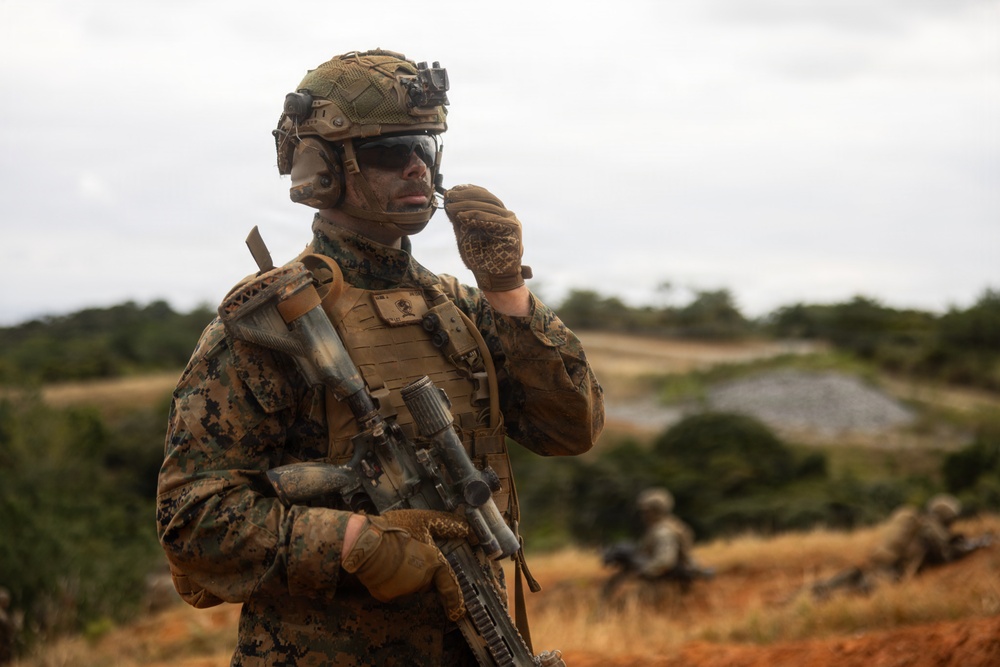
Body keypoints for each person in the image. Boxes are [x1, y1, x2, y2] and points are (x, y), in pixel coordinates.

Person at [155, 49, 604, 666]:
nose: (417, 169)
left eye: (425, 148)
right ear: (323, 168)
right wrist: (352, 542)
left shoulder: (462, 308)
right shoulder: (270, 324)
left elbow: (570, 429)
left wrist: (507, 292)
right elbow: (193, 521)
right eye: (391, 153)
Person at [812, 494, 990, 599]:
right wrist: (975, 545)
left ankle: (812, 592)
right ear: (948, 517)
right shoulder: (933, 527)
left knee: (852, 577)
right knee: (861, 591)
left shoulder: (920, 521)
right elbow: (945, 555)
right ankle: (823, 598)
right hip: (894, 569)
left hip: (880, 558)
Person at [601, 488, 713, 604]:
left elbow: (665, 561)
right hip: (666, 571)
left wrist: (641, 571)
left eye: (646, 511)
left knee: (631, 599)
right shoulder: (667, 525)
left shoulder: (663, 531)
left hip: (664, 577)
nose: (643, 515)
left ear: (655, 510)